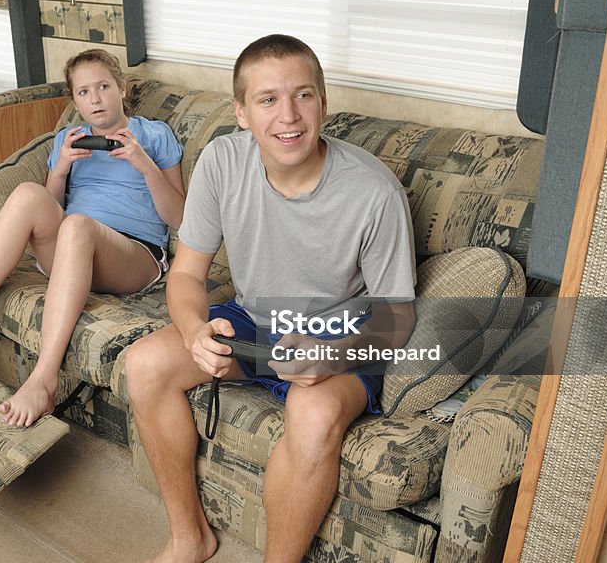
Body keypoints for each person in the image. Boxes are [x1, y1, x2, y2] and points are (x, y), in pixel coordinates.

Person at [123, 34, 417, 563]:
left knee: (312, 414)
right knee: (145, 364)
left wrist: (331, 354)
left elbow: (397, 318)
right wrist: (194, 333)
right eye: (267, 99)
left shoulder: (376, 193)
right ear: (240, 112)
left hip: (340, 330)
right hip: (254, 319)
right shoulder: (221, 162)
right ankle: (189, 538)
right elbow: (187, 274)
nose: (289, 116)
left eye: (303, 95)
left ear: (323, 104)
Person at [0, 49, 186, 428]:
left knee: (78, 225)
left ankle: (44, 378)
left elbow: (180, 217)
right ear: (75, 100)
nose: (95, 99)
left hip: (134, 256)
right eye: (83, 92)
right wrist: (61, 168)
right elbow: (46, 211)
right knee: (27, 195)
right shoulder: (69, 138)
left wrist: (145, 166)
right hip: (71, 249)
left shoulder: (154, 135)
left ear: (121, 88)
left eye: (103, 87)